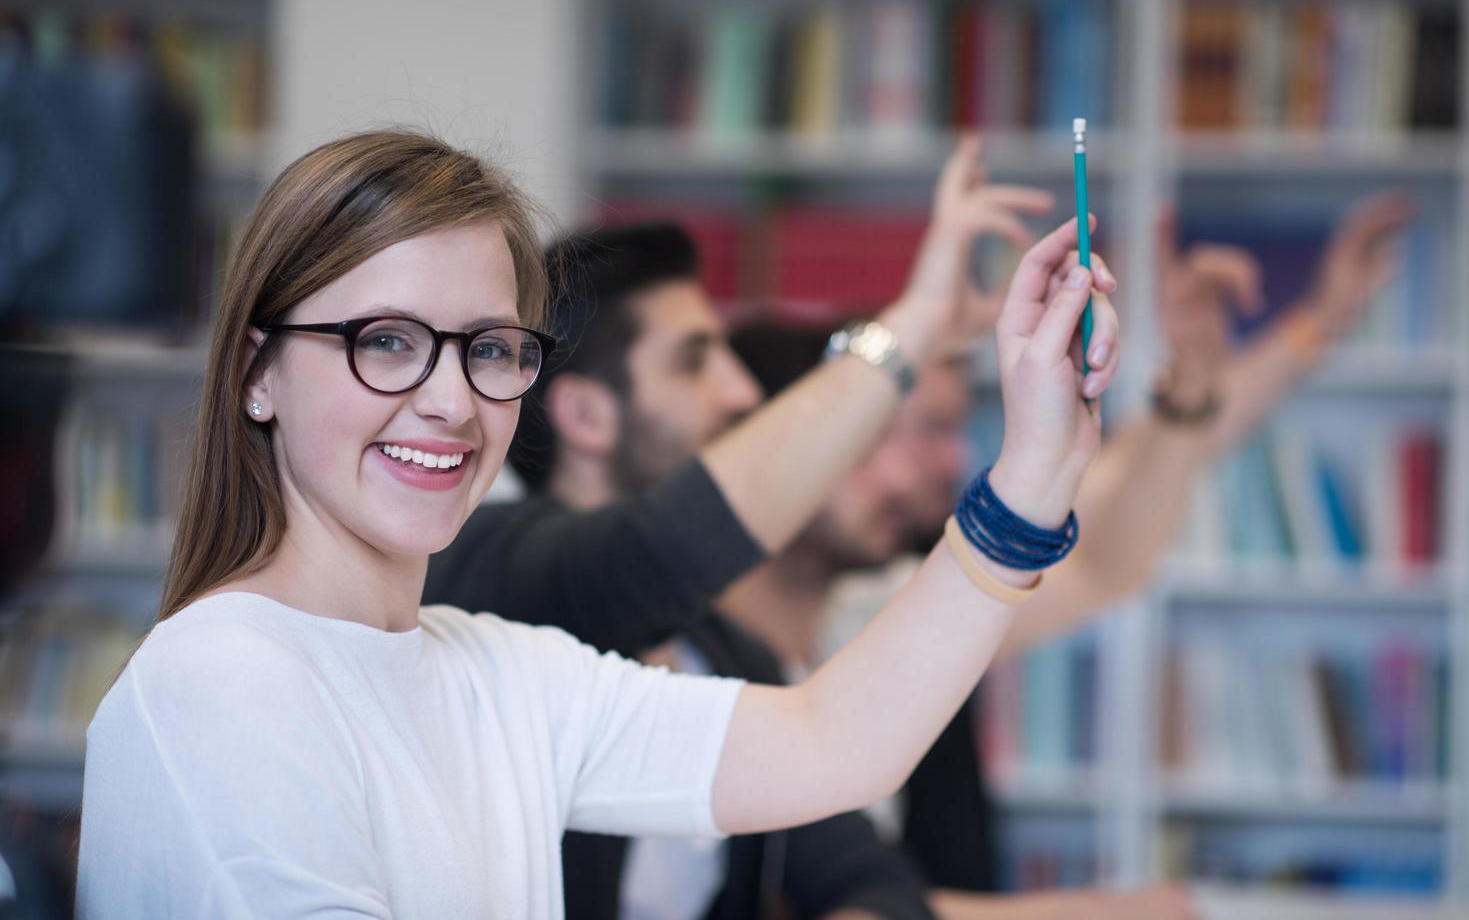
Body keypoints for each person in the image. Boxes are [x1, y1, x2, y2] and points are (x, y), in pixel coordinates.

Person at [75, 128, 1120, 919]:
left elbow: (833, 739)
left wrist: (1030, 471)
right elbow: (666, 553)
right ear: (258, 370)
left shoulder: (498, 672)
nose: (449, 399)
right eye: (385, 340)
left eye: (488, 348)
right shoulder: (218, 682)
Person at [423, 139, 1082, 918]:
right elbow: (656, 551)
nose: (740, 394)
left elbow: (865, 868)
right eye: (695, 362)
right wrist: (916, 326)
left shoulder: (729, 652)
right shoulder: (490, 573)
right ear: (587, 414)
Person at [716, 194, 1415, 919]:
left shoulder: (871, 605)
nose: (945, 461)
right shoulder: (685, 661)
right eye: (914, 430)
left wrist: (1251, 359)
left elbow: (1103, 553)